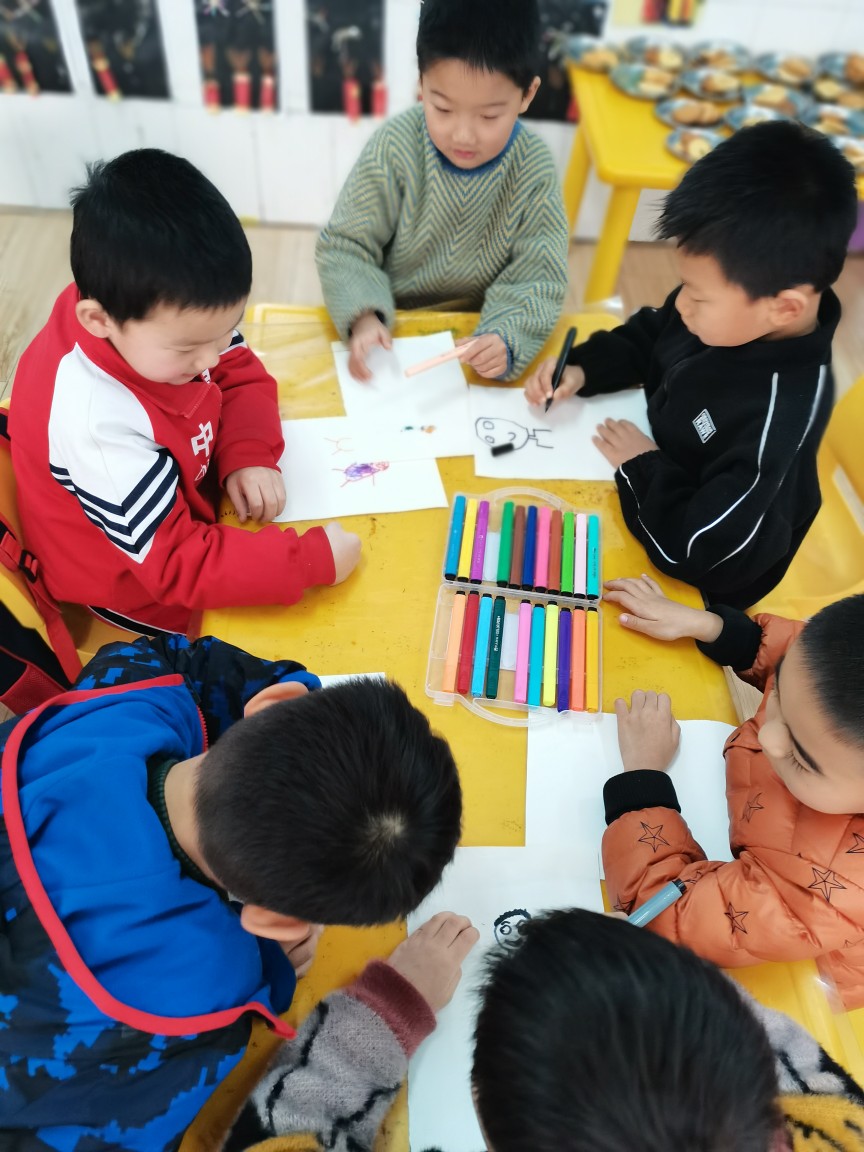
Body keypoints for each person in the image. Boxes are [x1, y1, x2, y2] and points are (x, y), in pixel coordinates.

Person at [0, 632, 462, 1151]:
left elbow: (177, 659)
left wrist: (296, 731)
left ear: (270, 703)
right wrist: (271, 963)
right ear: (272, 922)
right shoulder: (193, 1010)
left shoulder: (128, 696)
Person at [10, 148, 361, 637]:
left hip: (191, 520)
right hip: (136, 591)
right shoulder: (96, 422)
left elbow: (240, 372)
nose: (212, 360)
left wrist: (248, 452)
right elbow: (179, 565)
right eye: (191, 349)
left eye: (226, 331)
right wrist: (306, 562)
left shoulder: (161, 320)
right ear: (98, 319)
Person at [525, 121, 859, 609]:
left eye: (698, 296)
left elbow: (700, 550)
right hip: (649, 477)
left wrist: (643, 466)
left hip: (694, 586)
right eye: (684, 285)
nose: (681, 304)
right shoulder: (730, 312)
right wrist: (583, 368)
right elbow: (651, 335)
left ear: (784, 308)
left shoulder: (775, 428)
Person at [224, 910, 864, 1151]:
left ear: (483, 1110)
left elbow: (283, 1134)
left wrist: (392, 1005)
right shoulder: (835, 1127)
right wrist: (648, 980)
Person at [600, 574, 864, 1008]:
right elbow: (795, 648)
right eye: (779, 696)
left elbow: (667, 917)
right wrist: (707, 626)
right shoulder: (832, 679)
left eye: (802, 759)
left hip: (802, 979)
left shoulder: (824, 892)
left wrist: (642, 779)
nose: (769, 737)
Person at [315, 0, 569, 384]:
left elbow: (540, 276)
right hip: (391, 329)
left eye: (489, 116)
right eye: (443, 109)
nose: (463, 135)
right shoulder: (396, 146)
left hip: (476, 335)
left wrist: (506, 336)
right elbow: (345, 246)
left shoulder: (533, 169)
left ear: (527, 94)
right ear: (421, 82)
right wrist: (364, 316)